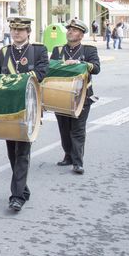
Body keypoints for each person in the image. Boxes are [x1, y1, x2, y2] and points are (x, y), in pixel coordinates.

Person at [0, 16, 48, 212]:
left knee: (22, 153)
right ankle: (22, 189)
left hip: (29, 108)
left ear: (28, 32)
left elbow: (42, 73)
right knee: (12, 153)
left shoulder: (38, 51)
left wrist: (20, 79)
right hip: (9, 109)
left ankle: (16, 197)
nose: (16, 33)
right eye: (13, 29)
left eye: (20, 30)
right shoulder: (4, 52)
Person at [51, 19, 101, 174]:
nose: (70, 32)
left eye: (74, 30)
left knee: (77, 130)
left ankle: (78, 162)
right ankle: (68, 155)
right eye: (69, 29)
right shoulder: (58, 50)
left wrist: (80, 63)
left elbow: (96, 68)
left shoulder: (89, 50)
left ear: (81, 35)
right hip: (60, 95)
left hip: (82, 97)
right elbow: (50, 69)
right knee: (64, 129)